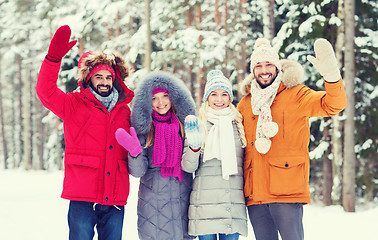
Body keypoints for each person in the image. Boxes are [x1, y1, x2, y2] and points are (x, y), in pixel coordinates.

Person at [236, 38, 347, 240]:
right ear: (253, 70)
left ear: (277, 67)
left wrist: (331, 77)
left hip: (286, 189)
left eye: (269, 64)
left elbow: (333, 105)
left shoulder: (296, 94)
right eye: (258, 66)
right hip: (255, 194)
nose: (264, 70)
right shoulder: (245, 103)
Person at [36, 25, 134, 240]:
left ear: (115, 80)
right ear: (88, 79)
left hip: (115, 197)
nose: (104, 82)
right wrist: (53, 59)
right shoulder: (73, 104)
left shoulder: (125, 111)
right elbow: (46, 92)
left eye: (108, 78)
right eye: (99, 77)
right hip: (83, 195)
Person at [115, 71, 196, 240]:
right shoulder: (145, 130)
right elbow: (138, 172)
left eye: (165, 95)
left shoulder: (185, 127)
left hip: (183, 201)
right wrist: (135, 152)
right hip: (153, 208)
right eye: (154, 98)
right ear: (147, 102)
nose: (160, 102)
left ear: (174, 96)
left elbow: (192, 165)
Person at [181, 70, 249, 240]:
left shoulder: (239, 124)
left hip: (231, 205)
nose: (219, 99)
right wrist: (194, 147)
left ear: (229, 97)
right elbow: (188, 167)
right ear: (207, 98)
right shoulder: (198, 125)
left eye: (224, 94)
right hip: (205, 206)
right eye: (214, 94)